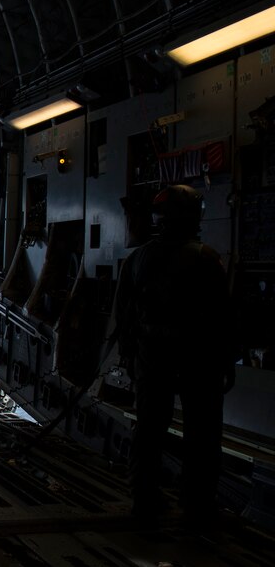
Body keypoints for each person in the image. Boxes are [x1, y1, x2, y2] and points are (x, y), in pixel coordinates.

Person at [111, 184, 237, 526]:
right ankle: (197, 503)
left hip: (152, 359)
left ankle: (144, 498)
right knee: (203, 434)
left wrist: (131, 359)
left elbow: (123, 317)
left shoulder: (137, 259)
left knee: (149, 431)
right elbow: (221, 318)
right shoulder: (206, 259)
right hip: (199, 361)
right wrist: (227, 362)